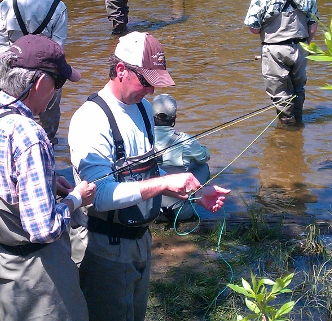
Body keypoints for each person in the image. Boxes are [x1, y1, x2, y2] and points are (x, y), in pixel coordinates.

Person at [68, 31, 230, 321]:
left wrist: (195, 192)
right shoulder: (90, 120)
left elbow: (149, 172)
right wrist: (166, 182)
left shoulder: (143, 108)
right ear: (121, 70)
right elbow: (100, 196)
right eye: (146, 81)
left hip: (140, 239)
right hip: (103, 246)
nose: (152, 91)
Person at [0, 35, 97, 321]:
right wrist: (75, 199)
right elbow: (44, 229)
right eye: (58, 83)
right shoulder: (30, 134)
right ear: (41, 82)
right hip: (33, 277)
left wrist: (47, 181)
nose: (57, 92)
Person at [0, 0, 69, 144]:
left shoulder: (7, 3)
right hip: (46, 72)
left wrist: (11, 65)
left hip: (14, 70)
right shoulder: (58, 6)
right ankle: (48, 146)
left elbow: (0, 43)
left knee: (13, 116)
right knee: (49, 117)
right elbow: (57, 47)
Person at [243, 0, 319, 126]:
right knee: (298, 90)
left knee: (281, 97)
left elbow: (253, 28)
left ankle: (288, 133)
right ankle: (298, 126)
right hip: (301, 48)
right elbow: (313, 24)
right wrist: (304, 45)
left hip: (275, 50)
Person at [151, 94, 210, 222]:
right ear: (174, 118)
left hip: (149, 212)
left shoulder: (142, 138)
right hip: (180, 213)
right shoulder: (185, 140)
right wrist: (201, 148)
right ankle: (196, 199)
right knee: (202, 167)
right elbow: (204, 158)